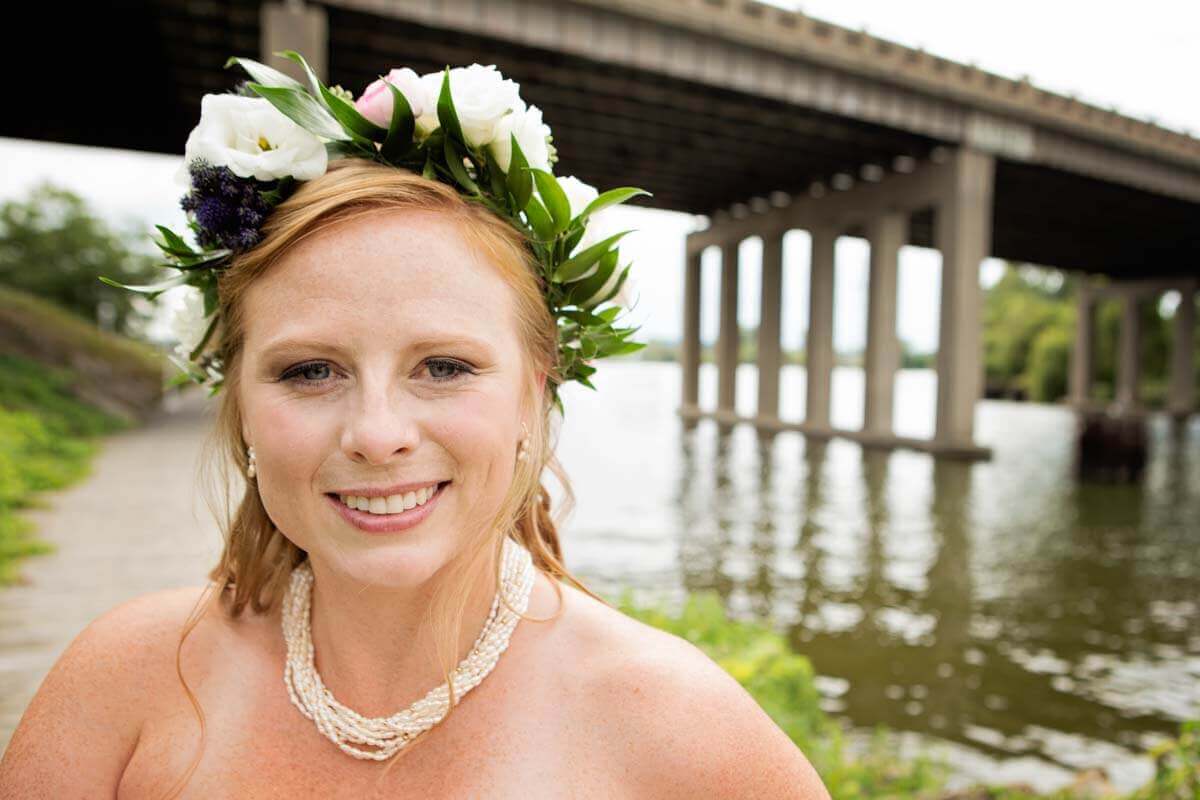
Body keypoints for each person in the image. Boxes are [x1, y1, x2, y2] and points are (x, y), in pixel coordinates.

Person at [0, 54, 831, 799]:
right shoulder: (120, 683)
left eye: (444, 367)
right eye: (309, 371)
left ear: (533, 396)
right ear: (241, 404)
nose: (376, 433)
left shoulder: (682, 732)